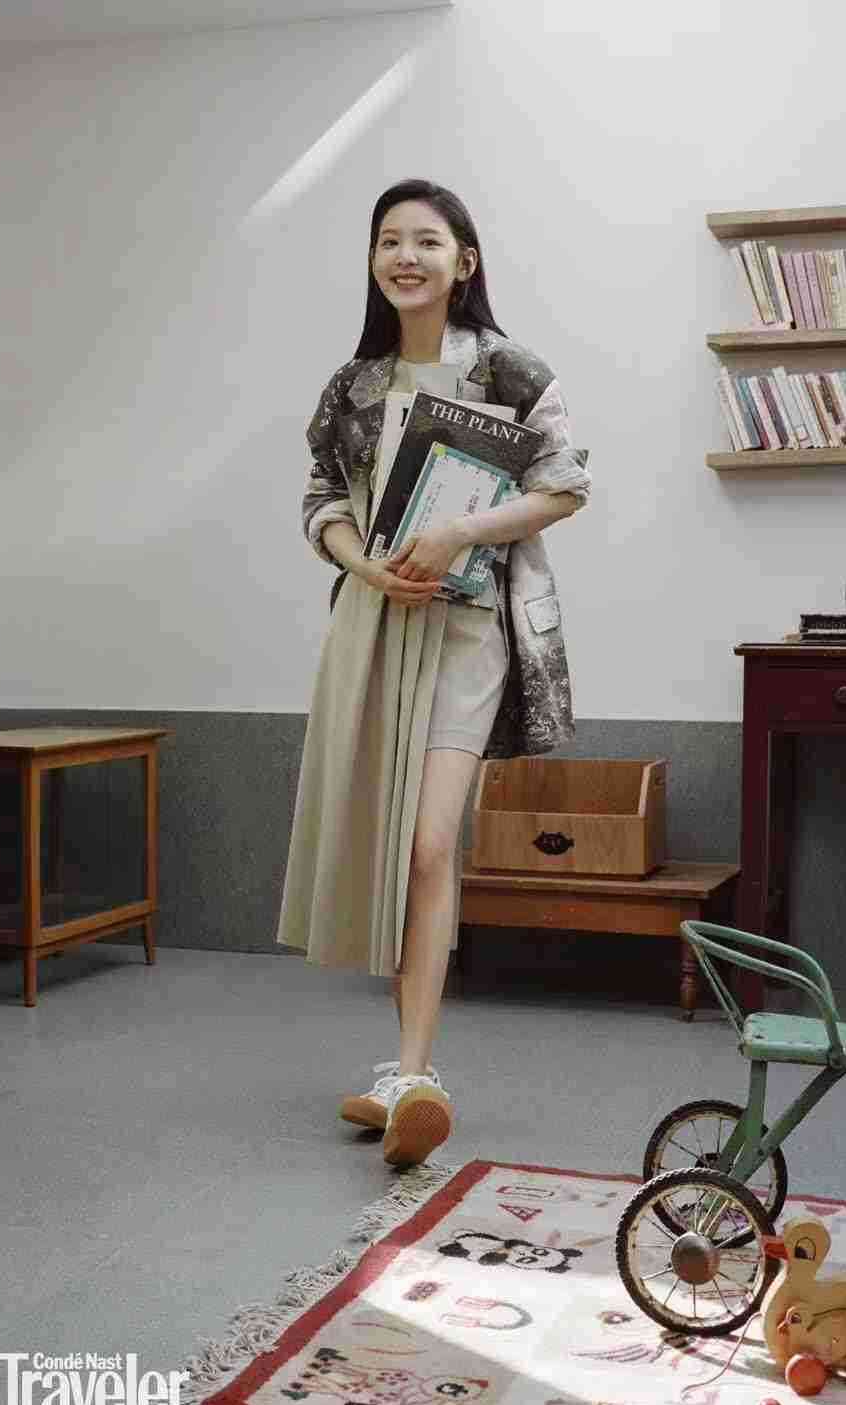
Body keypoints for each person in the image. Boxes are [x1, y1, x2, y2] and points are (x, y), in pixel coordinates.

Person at [277, 178, 591, 1168]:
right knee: (380, 844)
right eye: (388, 241)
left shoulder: (508, 369)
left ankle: (417, 1073)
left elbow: (563, 486)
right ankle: (401, 1073)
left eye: (425, 240)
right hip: (375, 622)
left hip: (467, 630)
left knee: (428, 845)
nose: (405, 257)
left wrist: (461, 530)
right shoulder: (353, 384)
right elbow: (321, 500)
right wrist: (363, 564)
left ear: (465, 261)